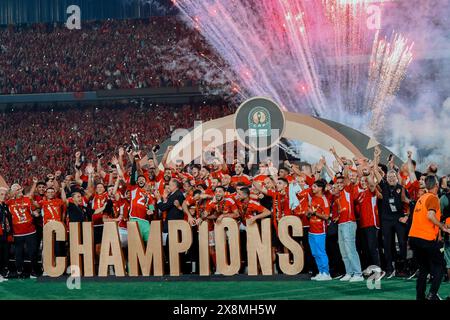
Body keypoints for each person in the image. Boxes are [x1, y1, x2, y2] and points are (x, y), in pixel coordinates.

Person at [409, 175, 450, 300]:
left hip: (414, 238)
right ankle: (432, 295)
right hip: (425, 239)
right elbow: (430, 216)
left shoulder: (421, 198)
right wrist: (442, 226)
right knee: (440, 266)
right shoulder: (433, 198)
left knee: (424, 268)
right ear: (436, 185)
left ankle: (420, 297)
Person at [334, 174, 364, 282]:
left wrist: (343, 166)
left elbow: (346, 177)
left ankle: (358, 273)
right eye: (337, 183)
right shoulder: (339, 195)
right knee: (343, 250)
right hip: (341, 224)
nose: (339, 184)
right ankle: (349, 272)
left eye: (341, 183)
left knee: (350, 249)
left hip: (349, 223)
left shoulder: (348, 190)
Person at [307, 179, 332, 281]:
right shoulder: (312, 198)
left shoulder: (324, 200)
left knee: (321, 252)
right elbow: (309, 213)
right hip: (311, 230)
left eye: (314, 187)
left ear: (320, 188)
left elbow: (326, 216)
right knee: (315, 253)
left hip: (320, 230)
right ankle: (321, 272)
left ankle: (326, 273)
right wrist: (308, 213)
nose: (312, 188)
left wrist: (314, 213)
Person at [0, 187, 11, 281]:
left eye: (5, 195)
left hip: (5, 234)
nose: (3, 196)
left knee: (4, 254)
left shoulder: (5, 206)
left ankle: (3, 273)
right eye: (1, 194)